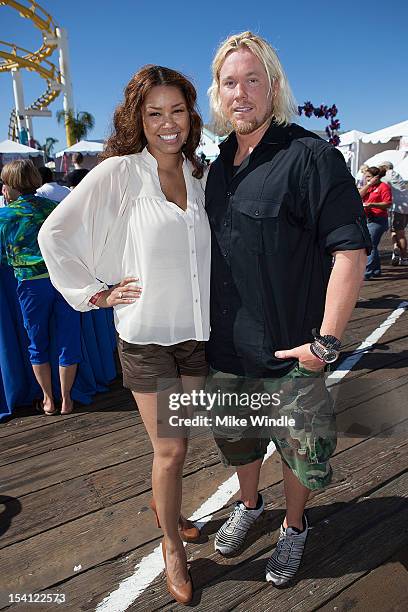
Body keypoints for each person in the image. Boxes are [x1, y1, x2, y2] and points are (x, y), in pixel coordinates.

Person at [39, 65, 211, 605]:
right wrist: (97, 291)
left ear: (191, 115)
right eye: (154, 112)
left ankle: (171, 510)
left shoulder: (200, 173)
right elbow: (55, 231)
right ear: (138, 118)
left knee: (180, 447)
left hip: (196, 334)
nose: (167, 123)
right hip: (146, 335)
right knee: (170, 447)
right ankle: (171, 546)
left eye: (177, 111)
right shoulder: (119, 172)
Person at [205, 31, 371, 586]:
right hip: (227, 346)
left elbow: (350, 249)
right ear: (218, 94)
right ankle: (250, 506)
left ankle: (294, 527)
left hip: (291, 352)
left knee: (302, 455)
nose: (242, 92)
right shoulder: (216, 168)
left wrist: (326, 341)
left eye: (254, 79)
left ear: (274, 88)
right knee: (238, 440)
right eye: (231, 82)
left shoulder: (311, 156)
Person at [0, 159, 81, 415]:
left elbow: (3, 256)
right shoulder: (54, 208)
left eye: (4, 183)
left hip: (31, 286)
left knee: (37, 343)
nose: (2, 189)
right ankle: (66, 398)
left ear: (12, 185)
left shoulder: (5, 217)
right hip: (62, 280)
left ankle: (48, 399)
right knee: (68, 339)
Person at [358, 166, 392, 279]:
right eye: (365, 176)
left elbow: (388, 203)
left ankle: (367, 272)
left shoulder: (384, 187)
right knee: (373, 245)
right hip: (367, 219)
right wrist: (368, 184)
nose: (365, 178)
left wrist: (372, 205)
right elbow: (358, 196)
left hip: (378, 219)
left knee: (370, 245)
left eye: (368, 176)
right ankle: (376, 270)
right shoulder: (368, 187)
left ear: (375, 177)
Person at [379, 161, 408, 266]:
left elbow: (379, 183)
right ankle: (396, 248)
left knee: (400, 233)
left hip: (396, 208)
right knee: (394, 230)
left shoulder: (387, 175)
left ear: (385, 168)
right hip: (404, 206)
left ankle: (404, 257)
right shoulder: (396, 174)